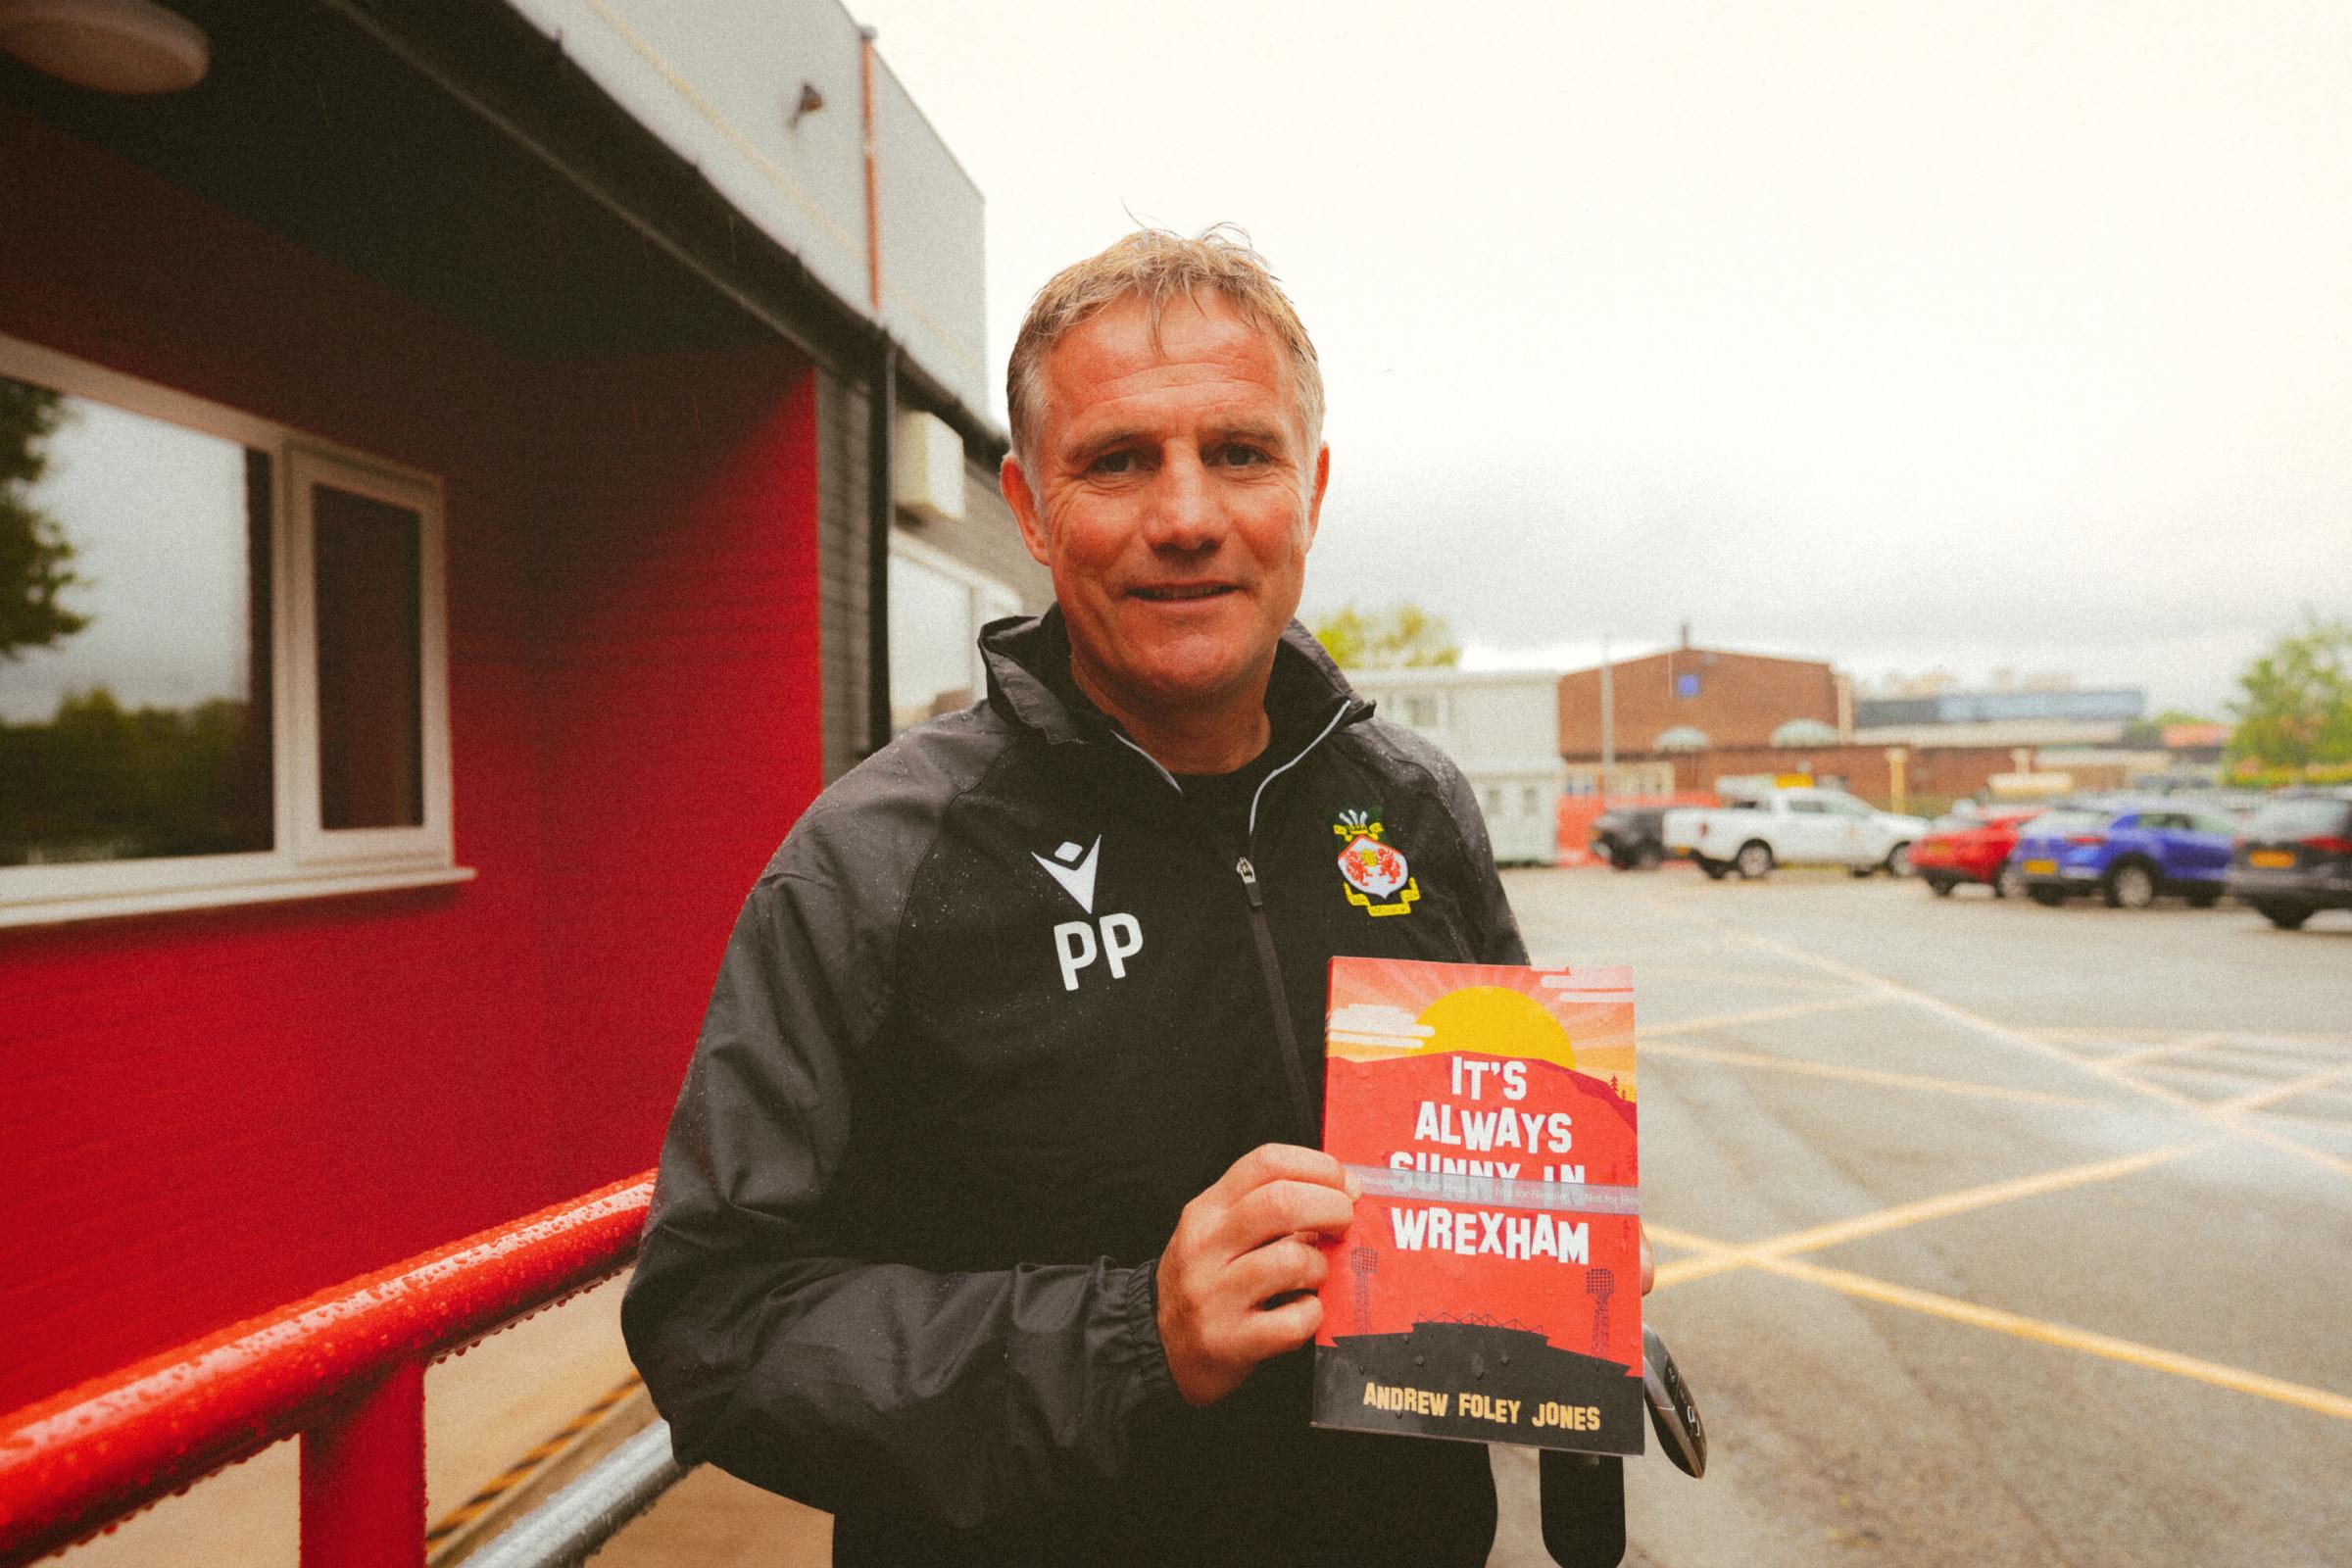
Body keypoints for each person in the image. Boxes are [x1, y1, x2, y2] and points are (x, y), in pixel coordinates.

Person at [623, 227, 1635, 1566]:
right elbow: (718, 1321)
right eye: (1117, 461)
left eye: (1239, 452)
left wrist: (1568, 1288)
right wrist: (1128, 1339)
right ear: (1031, 509)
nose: (1188, 517)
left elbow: (1503, 1204)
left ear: (1311, 491)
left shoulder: (1413, 808)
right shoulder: (872, 864)